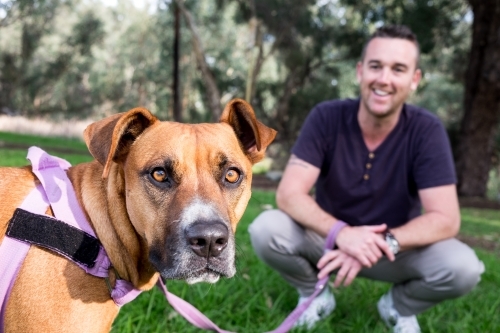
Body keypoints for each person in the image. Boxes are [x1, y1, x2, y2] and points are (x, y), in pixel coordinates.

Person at [248, 25, 484, 333]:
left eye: (398, 69)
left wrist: (380, 242)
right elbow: (289, 194)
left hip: (393, 249)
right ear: (360, 71)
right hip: (328, 241)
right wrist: (343, 234)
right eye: (376, 66)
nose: (384, 79)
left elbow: (446, 219)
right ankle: (314, 296)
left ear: (414, 80)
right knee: (266, 229)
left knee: (464, 267)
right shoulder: (326, 117)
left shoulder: (427, 131)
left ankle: (398, 307)